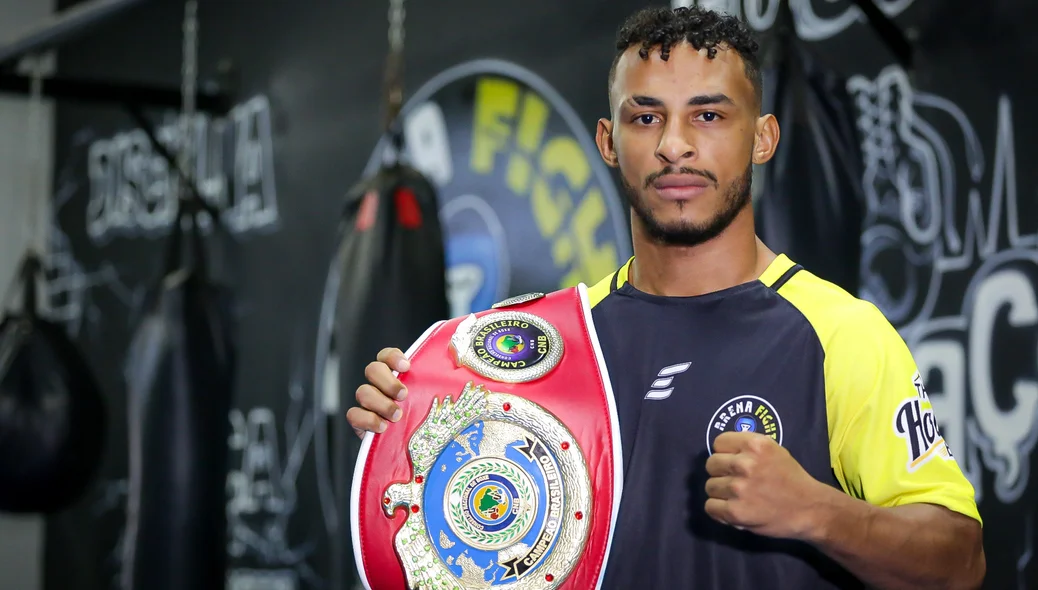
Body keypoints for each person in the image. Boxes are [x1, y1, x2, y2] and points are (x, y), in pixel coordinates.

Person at [347, 6, 985, 589]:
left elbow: (959, 563)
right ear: (608, 141)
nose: (674, 144)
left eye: (708, 116)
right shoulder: (560, 342)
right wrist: (405, 426)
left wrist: (818, 511)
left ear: (762, 138)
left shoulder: (840, 334)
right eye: (646, 117)